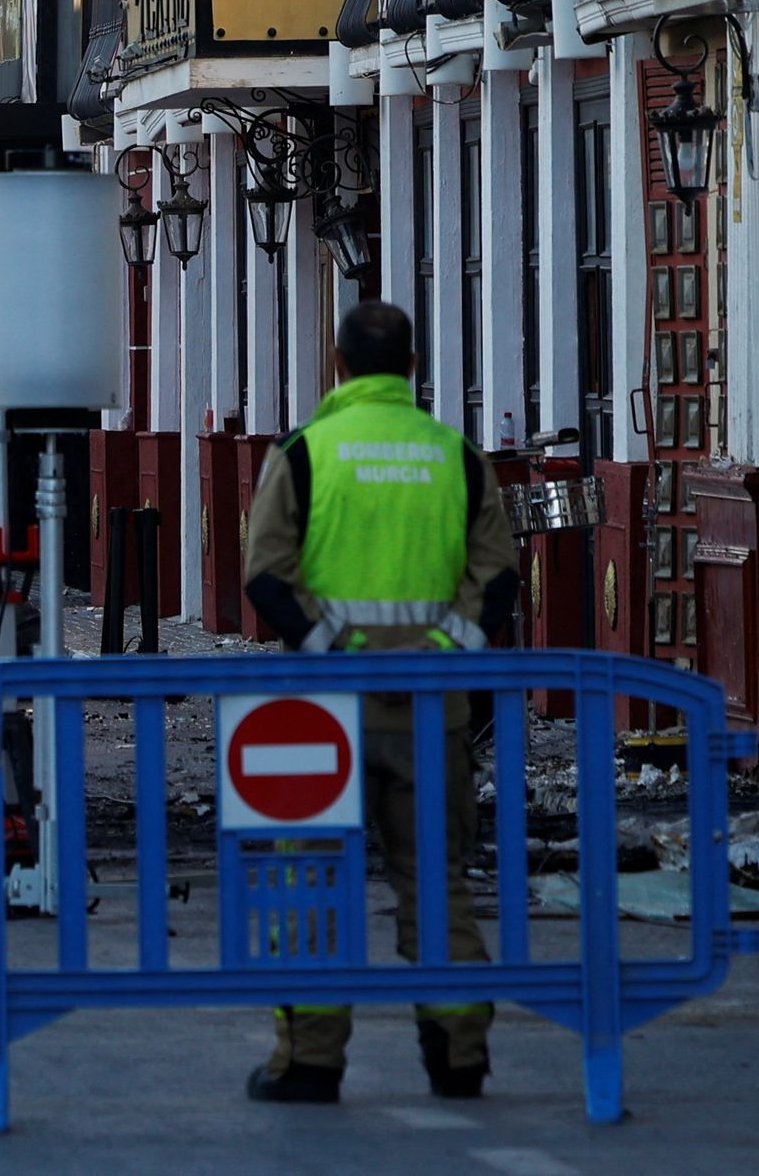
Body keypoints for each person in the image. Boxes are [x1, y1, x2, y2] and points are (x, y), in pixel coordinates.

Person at [236, 295, 522, 1106]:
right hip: (433, 712)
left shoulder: (305, 453)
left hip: (322, 714)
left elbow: (266, 573)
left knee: (314, 882)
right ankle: (459, 1056)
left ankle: (311, 1061)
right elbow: (496, 577)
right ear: (412, 367)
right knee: (437, 878)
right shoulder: (454, 453)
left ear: (337, 364)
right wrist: (437, 655)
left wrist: (342, 651)